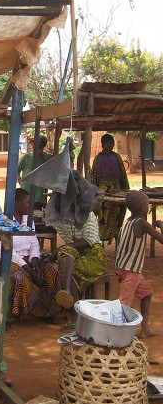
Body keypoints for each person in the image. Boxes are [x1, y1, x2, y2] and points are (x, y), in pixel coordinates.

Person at [8, 188, 63, 321]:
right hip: (13, 261)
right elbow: (10, 252)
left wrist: (35, 261)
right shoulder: (5, 221)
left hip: (29, 261)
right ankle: (23, 312)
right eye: (27, 203)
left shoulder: (28, 221)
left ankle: (50, 311)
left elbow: (34, 243)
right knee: (19, 276)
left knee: (52, 268)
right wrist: (32, 272)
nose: (30, 206)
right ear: (17, 203)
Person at [52, 199, 107, 328]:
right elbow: (71, 243)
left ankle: (74, 315)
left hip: (94, 255)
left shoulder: (88, 214)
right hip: (76, 253)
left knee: (68, 269)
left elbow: (87, 241)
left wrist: (60, 249)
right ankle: (67, 294)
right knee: (64, 261)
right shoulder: (60, 220)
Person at [115, 191, 163, 338]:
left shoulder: (126, 223)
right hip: (131, 270)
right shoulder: (142, 223)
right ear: (143, 208)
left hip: (124, 267)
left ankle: (145, 329)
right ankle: (116, 335)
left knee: (147, 294)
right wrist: (161, 225)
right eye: (147, 205)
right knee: (124, 303)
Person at [90, 133, 129, 242]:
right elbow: (94, 176)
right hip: (103, 190)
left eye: (112, 143)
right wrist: (95, 192)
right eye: (109, 143)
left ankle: (117, 240)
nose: (111, 145)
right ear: (103, 144)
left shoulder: (117, 157)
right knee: (103, 216)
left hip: (117, 189)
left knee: (117, 216)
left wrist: (125, 188)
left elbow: (123, 174)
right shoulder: (98, 159)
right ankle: (101, 241)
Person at [18, 136, 52, 210]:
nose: (33, 145)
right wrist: (19, 180)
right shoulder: (26, 157)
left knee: (36, 213)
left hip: (39, 196)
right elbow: (17, 170)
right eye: (32, 143)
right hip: (26, 192)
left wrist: (42, 157)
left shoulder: (48, 157)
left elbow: (49, 170)